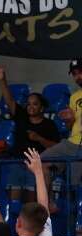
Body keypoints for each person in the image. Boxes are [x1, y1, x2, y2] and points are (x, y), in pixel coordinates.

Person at [0, 65, 60, 203]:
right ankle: (14, 223)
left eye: (35, 104)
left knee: (31, 200)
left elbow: (56, 146)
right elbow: (9, 101)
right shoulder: (22, 117)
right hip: (18, 162)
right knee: (14, 200)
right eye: (28, 103)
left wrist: (39, 139)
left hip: (36, 165)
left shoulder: (49, 125)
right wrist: (2, 80)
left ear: (41, 108)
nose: (30, 106)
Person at [41, 59, 82, 210]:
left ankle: (77, 224)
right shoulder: (74, 97)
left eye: (80, 72)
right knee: (41, 162)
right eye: (75, 74)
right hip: (72, 143)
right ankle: (50, 203)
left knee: (75, 186)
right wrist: (68, 120)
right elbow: (72, 126)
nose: (78, 77)